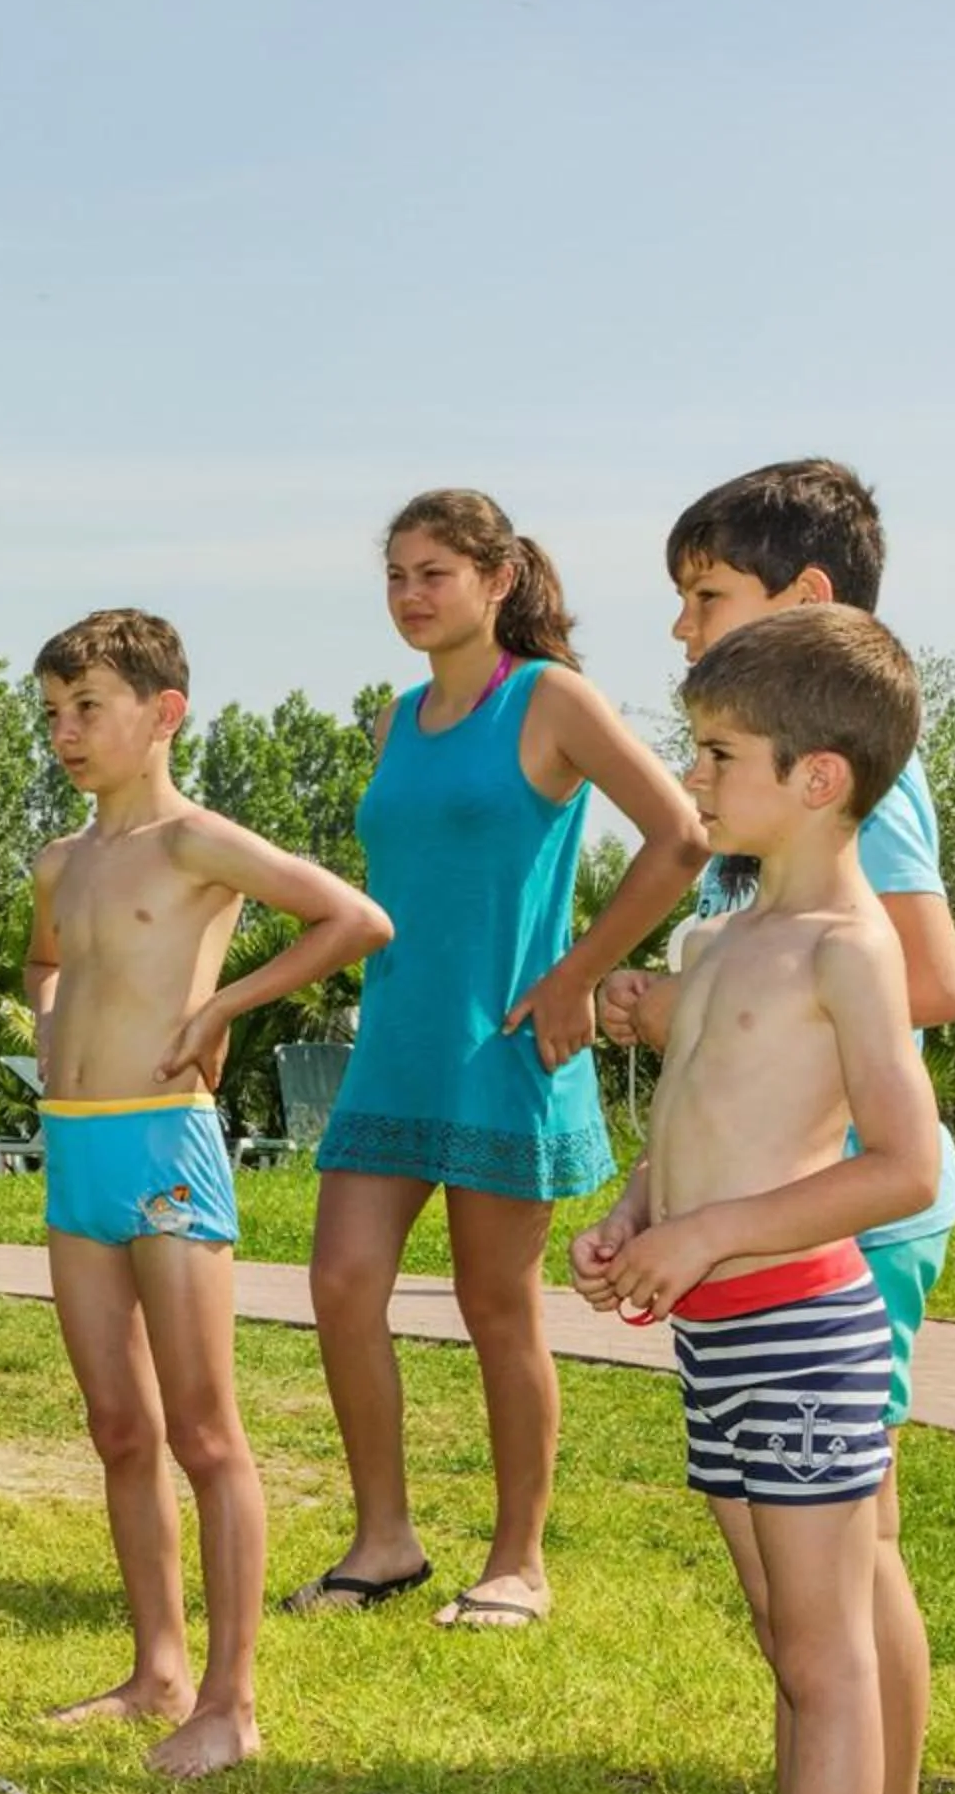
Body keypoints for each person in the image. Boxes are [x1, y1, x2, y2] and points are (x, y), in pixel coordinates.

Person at [599, 462, 955, 1794]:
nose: (692, 781)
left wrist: (712, 1234)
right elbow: (698, 1120)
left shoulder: (849, 946)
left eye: (717, 755)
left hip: (800, 1326)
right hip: (718, 1330)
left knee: (828, 1661)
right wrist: (639, 1208)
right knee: (784, 1640)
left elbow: (907, 1166)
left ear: (818, 778)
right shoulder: (736, 929)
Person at [292, 490, 706, 1629]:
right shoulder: (392, 719)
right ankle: (384, 1540)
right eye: (396, 577)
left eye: (434, 573)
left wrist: (578, 971)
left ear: (498, 579)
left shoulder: (550, 699)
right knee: (339, 1282)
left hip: (507, 1045)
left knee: (496, 1306)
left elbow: (682, 834)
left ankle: (518, 1559)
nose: (411, 596)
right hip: (396, 1044)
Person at [24, 609, 390, 1778]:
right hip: (75, 1157)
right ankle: (158, 1671)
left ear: (162, 713)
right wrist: (44, 1016)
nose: (67, 734)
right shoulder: (61, 859)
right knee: (118, 1426)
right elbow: (45, 960)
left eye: (89, 708)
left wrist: (224, 1006)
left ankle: (231, 1703)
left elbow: (355, 918)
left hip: (165, 1151)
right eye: (53, 715)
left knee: (203, 1429)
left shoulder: (195, 843)